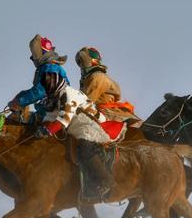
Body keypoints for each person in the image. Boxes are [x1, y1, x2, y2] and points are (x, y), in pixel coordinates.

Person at [34, 68, 126, 203]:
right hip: (76, 128)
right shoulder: (54, 99)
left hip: (90, 126)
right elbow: (50, 116)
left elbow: (64, 119)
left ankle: (105, 181)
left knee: (84, 149)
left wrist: (47, 130)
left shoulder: (70, 95)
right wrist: (41, 128)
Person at [8, 34, 70, 120]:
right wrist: (21, 96)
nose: (33, 58)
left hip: (54, 113)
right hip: (48, 110)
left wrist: (20, 102)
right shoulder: (51, 67)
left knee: (24, 124)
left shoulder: (50, 68)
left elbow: (40, 91)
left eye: (34, 55)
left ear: (40, 53)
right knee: (27, 117)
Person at [75, 46, 139, 124]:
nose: (80, 65)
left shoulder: (97, 77)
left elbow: (84, 101)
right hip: (110, 112)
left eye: (80, 61)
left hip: (109, 115)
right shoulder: (98, 76)